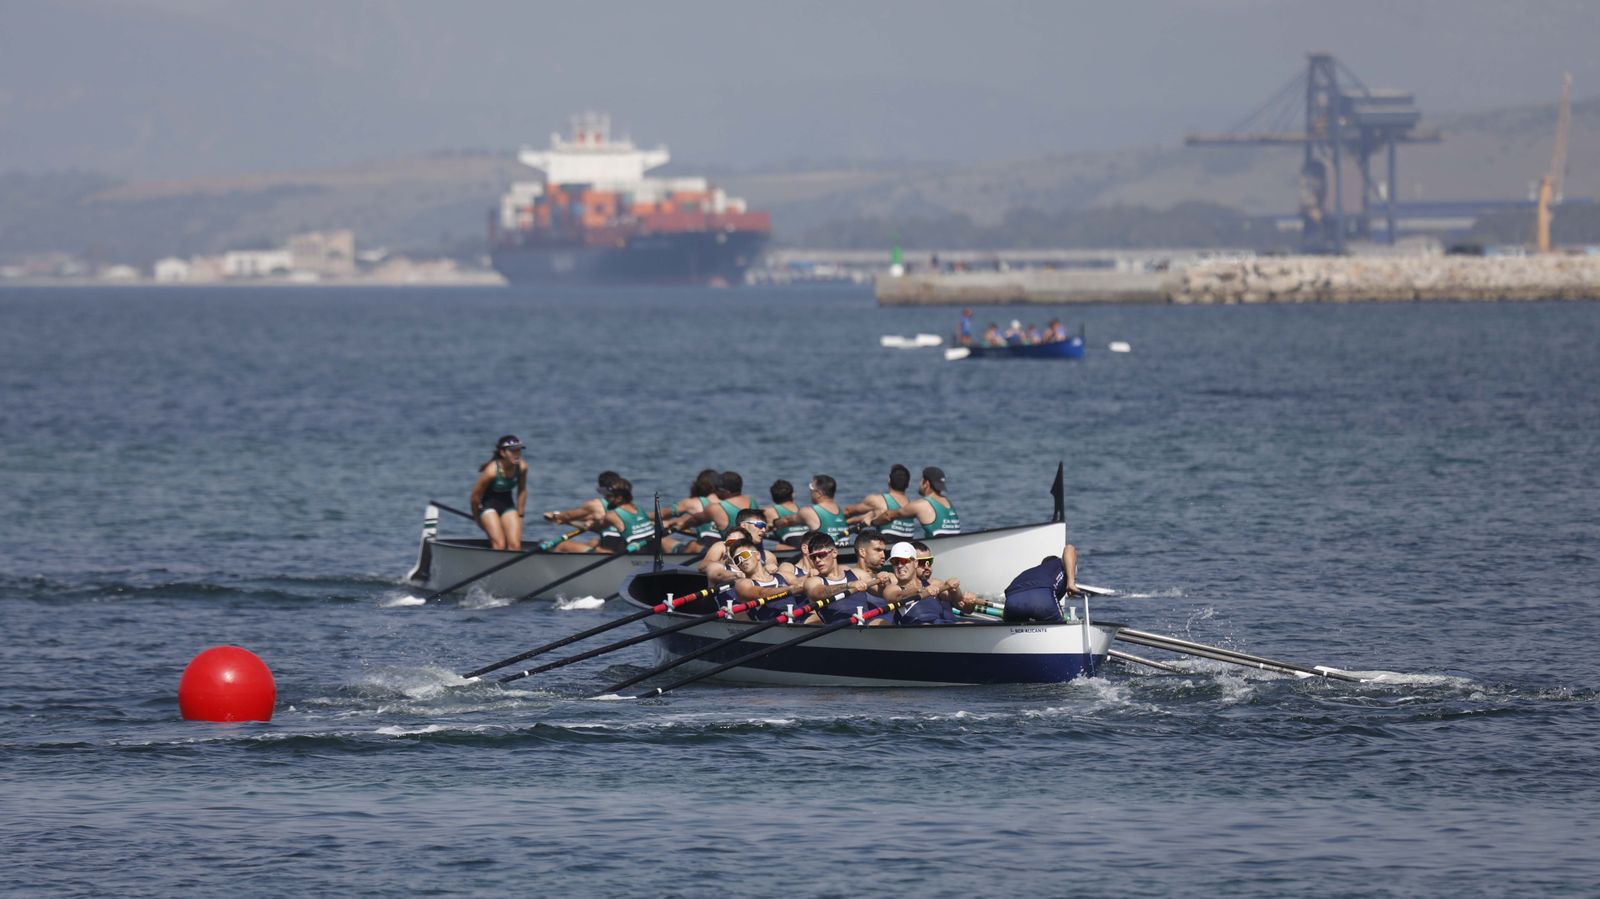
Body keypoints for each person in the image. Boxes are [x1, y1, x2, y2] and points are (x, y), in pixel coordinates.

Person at [800, 531, 892, 625]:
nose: (817, 560)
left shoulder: (857, 574)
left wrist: (885, 583)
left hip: (863, 629)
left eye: (821, 555)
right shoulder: (812, 582)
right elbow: (821, 592)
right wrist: (849, 585)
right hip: (836, 632)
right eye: (813, 557)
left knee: (882, 622)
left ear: (834, 552)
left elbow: (882, 593)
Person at [551, 478, 655, 554]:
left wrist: (567, 522)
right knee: (592, 542)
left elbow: (592, 527)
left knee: (563, 545)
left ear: (619, 498)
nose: (605, 498)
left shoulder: (611, 515)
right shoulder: (639, 509)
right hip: (650, 552)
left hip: (630, 557)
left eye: (608, 496)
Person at [469, 435, 528, 551]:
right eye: (512, 451)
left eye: (518, 450)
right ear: (503, 453)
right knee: (500, 544)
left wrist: (520, 515)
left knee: (515, 545)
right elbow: (474, 498)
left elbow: (522, 490)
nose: (516, 454)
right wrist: (477, 519)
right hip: (488, 506)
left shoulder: (522, 467)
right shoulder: (491, 472)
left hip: (507, 505)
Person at [724, 538, 802, 622]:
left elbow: (801, 586)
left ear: (757, 555)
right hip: (769, 629)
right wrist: (790, 589)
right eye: (737, 560)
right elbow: (762, 593)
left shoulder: (784, 575)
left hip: (797, 621)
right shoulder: (742, 584)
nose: (742, 561)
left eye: (745, 555)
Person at [998, 545, 1080, 623]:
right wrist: (1071, 582)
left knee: (1014, 628)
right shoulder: (1059, 563)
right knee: (1058, 627)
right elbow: (1069, 548)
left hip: (1012, 598)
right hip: (1042, 594)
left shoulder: (1035, 571)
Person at [881, 542, 959, 624]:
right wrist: (920, 590)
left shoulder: (933, 584)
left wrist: (955, 588)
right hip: (912, 632)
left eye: (904, 561)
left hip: (940, 626)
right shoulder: (890, 589)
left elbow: (956, 598)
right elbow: (897, 597)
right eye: (895, 562)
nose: (899, 565)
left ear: (915, 563)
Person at [872, 466, 960, 537]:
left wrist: (873, 522)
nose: (919, 483)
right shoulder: (948, 502)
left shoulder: (921, 505)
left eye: (921, 480)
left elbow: (888, 516)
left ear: (926, 483)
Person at [844, 464, 918, 542]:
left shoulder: (877, 500)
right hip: (907, 546)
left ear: (889, 481)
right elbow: (867, 517)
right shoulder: (912, 505)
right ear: (908, 484)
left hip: (887, 545)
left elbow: (848, 511)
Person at [697, 507, 778, 575]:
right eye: (760, 525)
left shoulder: (767, 555)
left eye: (765, 526)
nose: (764, 530)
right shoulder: (722, 546)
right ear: (743, 525)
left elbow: (772, 562)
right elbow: (703, 566)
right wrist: (728, 565)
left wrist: (771, 565)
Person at [772, 474, 850, 542]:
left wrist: (774, 524)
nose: (810, 491)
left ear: (819, 493)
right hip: (842, 551)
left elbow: (787, 521)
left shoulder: (808, 512)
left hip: (824, 554)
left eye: (811, 488)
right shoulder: (841, 510)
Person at [543, 470, 623, 536]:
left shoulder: (595, 505)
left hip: (611, 548)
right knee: (591, 541)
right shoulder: (627, 504)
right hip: (626, 544)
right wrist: (567, 522)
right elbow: (592, 526)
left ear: (601, 489)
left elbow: (568, 515)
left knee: (563, 546)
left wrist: (555, 516)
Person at [662, 469, 721, 552]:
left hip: (705, 550)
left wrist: (645, 519)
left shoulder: (693, 503)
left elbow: (663, 514)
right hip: (720, 548)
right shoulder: (728, 503)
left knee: (662, 541)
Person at [706, 470, 760, 534]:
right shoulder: (752, 501)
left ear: (727, 492)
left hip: (731, 543)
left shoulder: (716, 507)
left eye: (717, 489)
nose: (715, 491)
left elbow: (694, 520)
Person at [764, 479, 810, 550]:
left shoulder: (770, 511)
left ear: (773, 497)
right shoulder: (802, 510)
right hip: (808, 543)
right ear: (793, 495)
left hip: (793, 546)